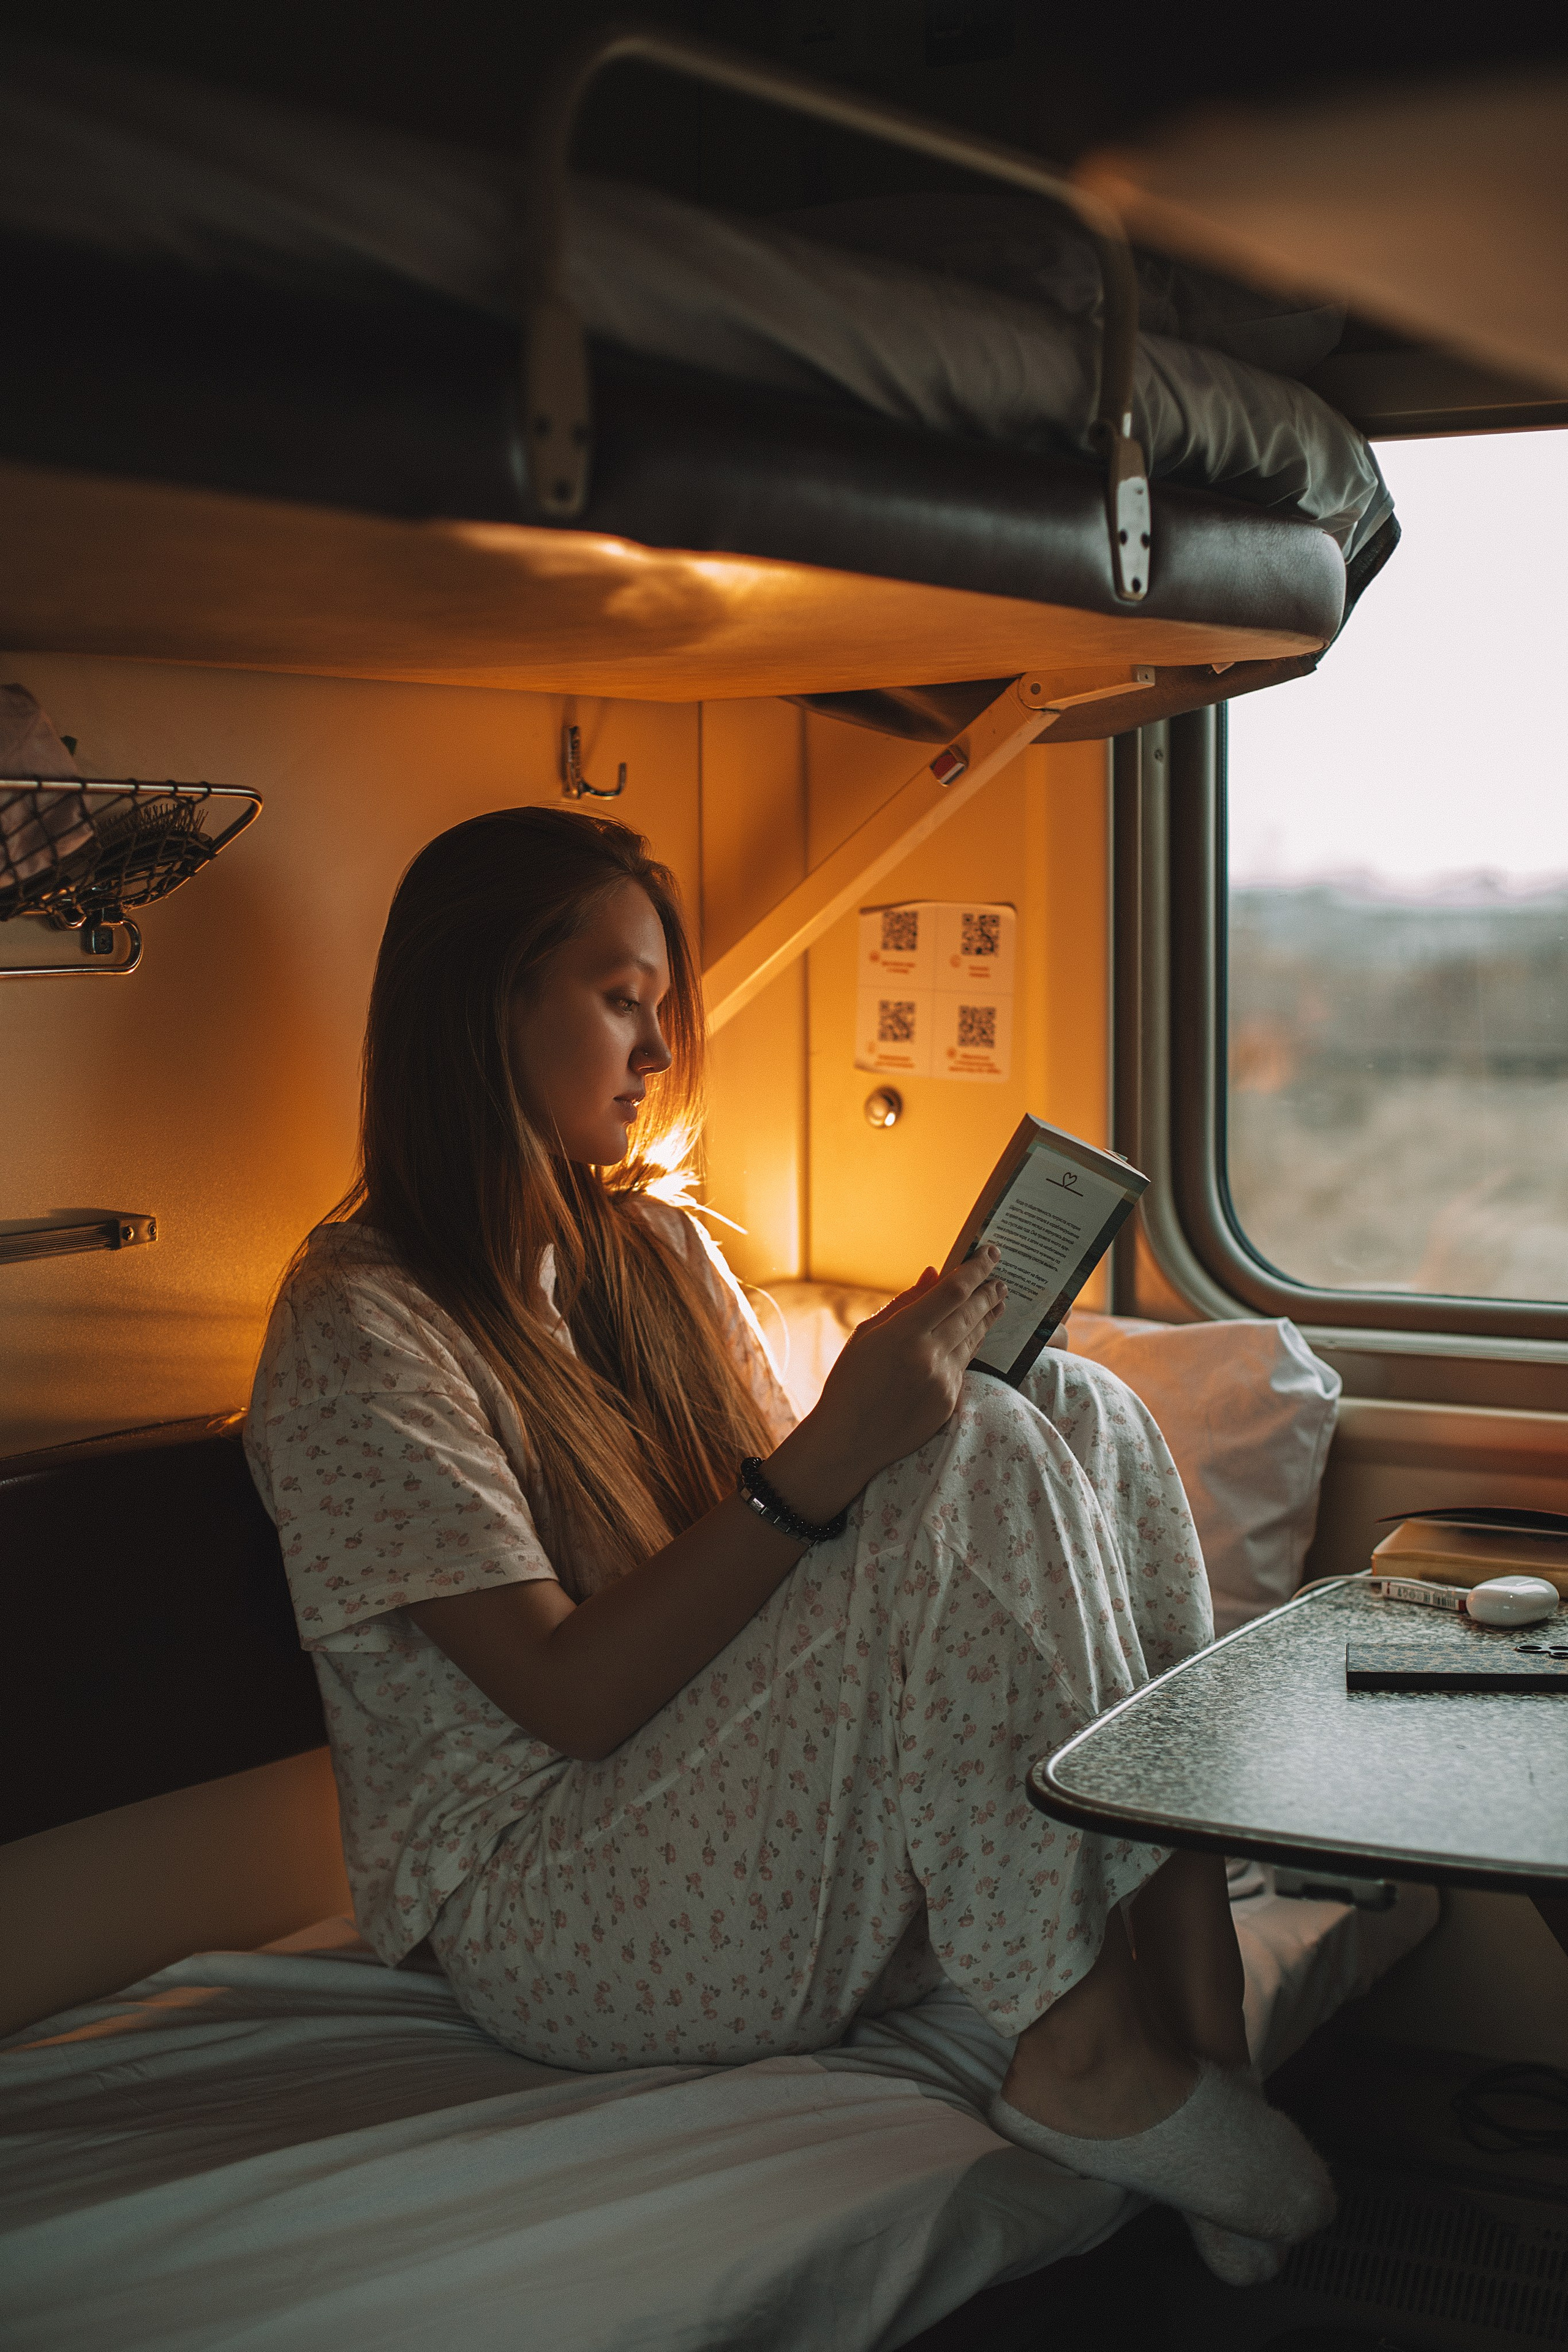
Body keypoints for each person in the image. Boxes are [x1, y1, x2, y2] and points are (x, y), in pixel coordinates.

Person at [246, 805, 1332, 2285]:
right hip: (556, 1909)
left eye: (659, 1012)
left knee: (1067, 1400)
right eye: (621, 1000)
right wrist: (843, 1440)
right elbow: (566, 1698)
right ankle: (1076, 2049)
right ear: (488, 1000)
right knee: (987, 1445)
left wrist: (892, 1417)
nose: (656, 1053)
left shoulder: (658, 1254)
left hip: (731, 1836)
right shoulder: (357, 1328)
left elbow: (823, 1570)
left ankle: (1202, 2044)